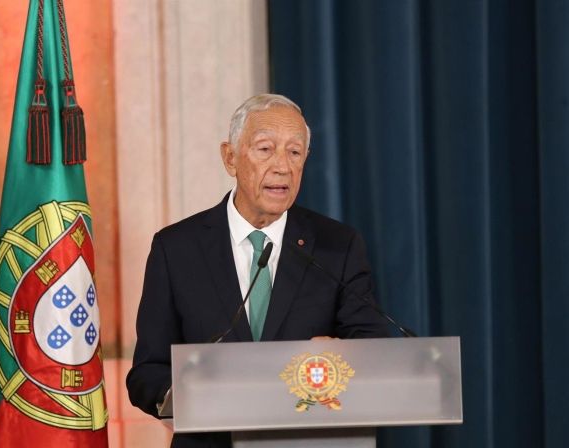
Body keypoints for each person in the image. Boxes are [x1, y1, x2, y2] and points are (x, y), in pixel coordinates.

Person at [126, 94, 388, 448]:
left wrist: (341, 358)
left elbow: (373, 351)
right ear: (230, 157)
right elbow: (147, 372)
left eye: (295, 152)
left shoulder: (337, 246)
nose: (283, 166)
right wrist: (188, 394)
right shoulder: (176, 248)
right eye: (265, 149)